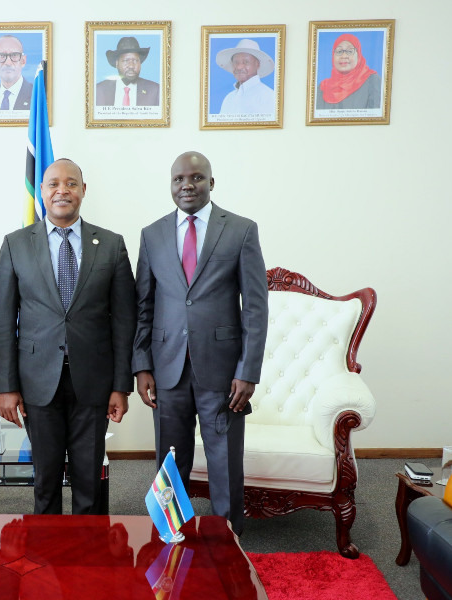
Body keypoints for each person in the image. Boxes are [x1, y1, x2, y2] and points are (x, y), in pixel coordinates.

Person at [132, 151, 268, 536]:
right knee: (170, 461)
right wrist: (141, 365)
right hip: (166, 367)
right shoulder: (152, 234)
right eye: (178, 179)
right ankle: (172, 536)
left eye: (195, 178)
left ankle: (228, 542)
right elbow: (143, 305)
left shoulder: (240, 230)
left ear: (211, 182)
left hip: (223, 372)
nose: (186, 185)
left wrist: (247, 370)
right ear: (171, 185)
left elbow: (255, 308)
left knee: (224, 460)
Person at [0, 158, 136, 515]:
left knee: (90, 480)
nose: (62, 190)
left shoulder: (112, 245)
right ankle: (46, 560)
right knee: (45, 479)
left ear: (83, 191)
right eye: (53, 184)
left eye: (71, 183)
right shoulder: (15, 244)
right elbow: (3, 319)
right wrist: (7, 386)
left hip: (94, 381)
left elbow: (124, 321)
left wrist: (121, 385)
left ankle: (89, 561)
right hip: (37, 380)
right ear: (41, 191)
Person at [317, 33, 381, 109]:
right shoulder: (323, 87)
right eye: (339, 51)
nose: (344, 56)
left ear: (359, 55)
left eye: (350, 51)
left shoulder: (372, 81)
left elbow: (375, 117)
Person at [216, 39, 276, 116]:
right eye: (236, 62)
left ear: (257, 64)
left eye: (246, 62)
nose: (239, 67)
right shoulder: (229, 98)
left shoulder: (268, 97)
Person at [95, 37, 160, 107]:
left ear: (140, 63)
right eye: (126, 60)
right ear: (117, 63)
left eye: (135, 60)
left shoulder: (155, 90)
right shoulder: (99, 90)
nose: (131, 66)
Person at [0, 35, 33, 111]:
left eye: (14, 55)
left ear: (23, 61)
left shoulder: (40, 97)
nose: (8, 62)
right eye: (1, 55)